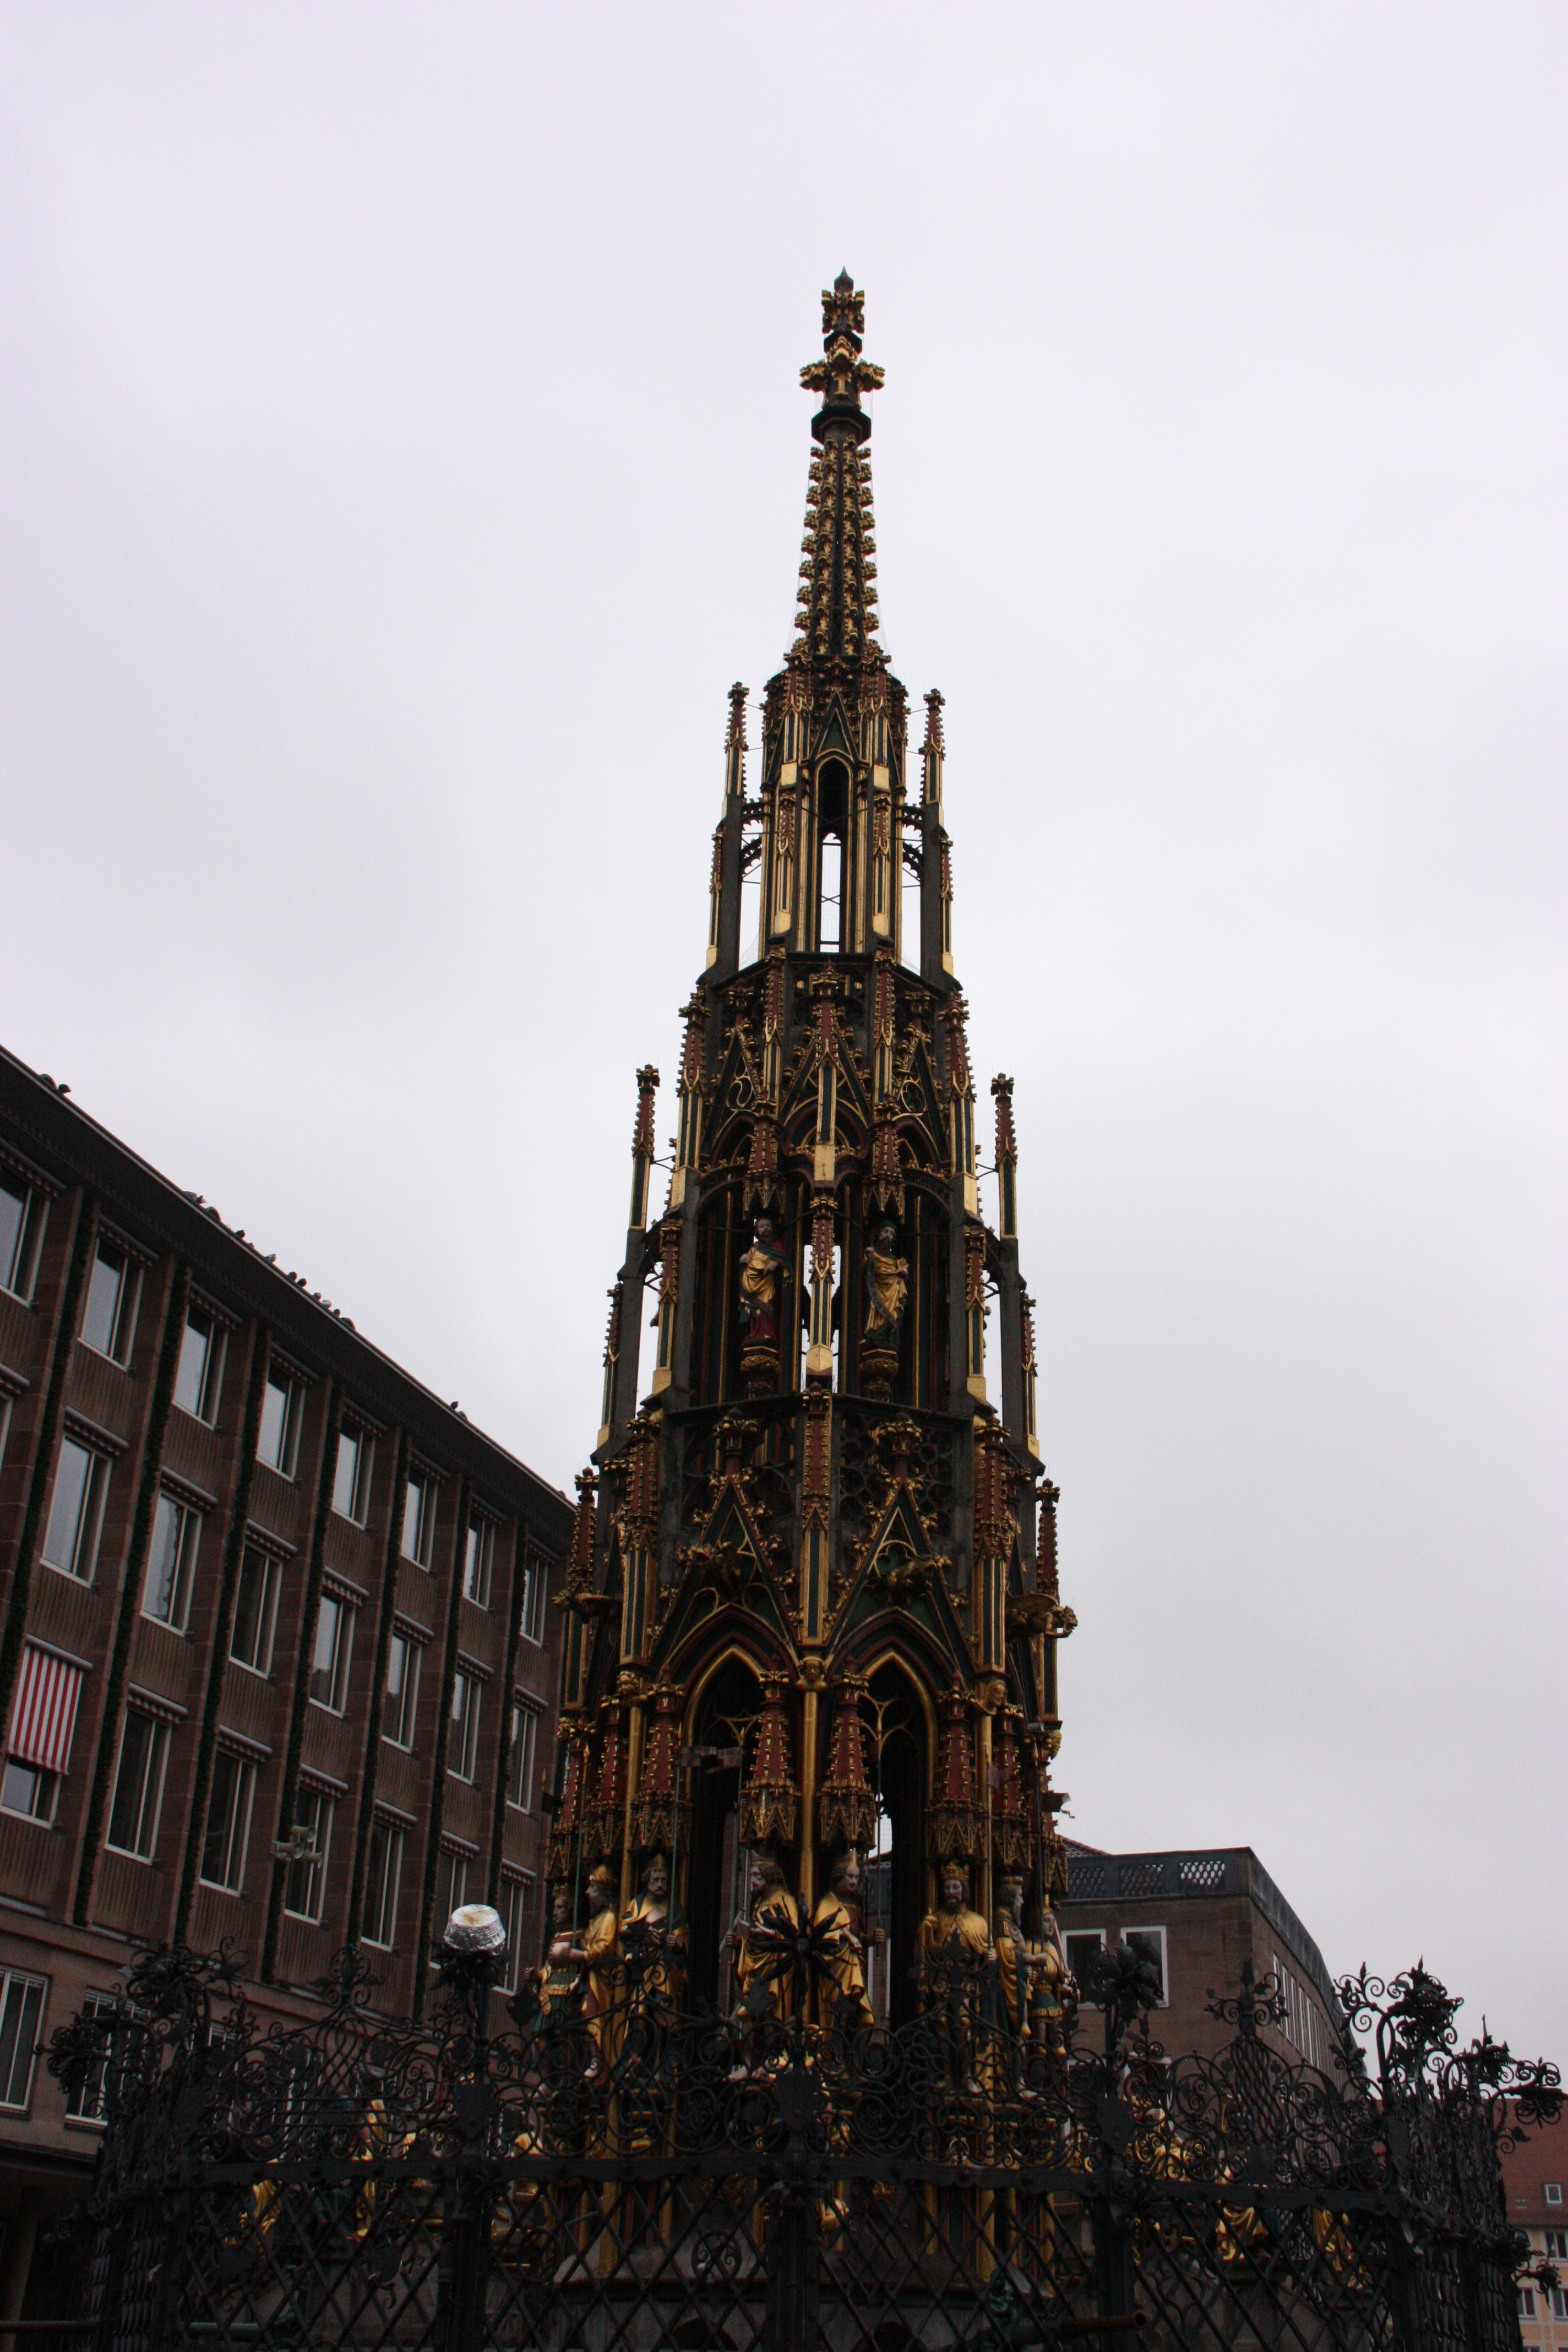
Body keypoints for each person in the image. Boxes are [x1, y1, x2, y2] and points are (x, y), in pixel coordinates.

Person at [916, 1865, 994, 2095]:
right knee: (942, 2026)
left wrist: (992, 1955)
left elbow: (988, 1950)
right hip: (942, 1981)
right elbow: (927, 1952)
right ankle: (946, 2074)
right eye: (948, 1887)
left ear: (964, 1890)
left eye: (956, 1887)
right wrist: (926, 1930)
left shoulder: (977, 1921)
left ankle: (968, 2075)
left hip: (967, 1982)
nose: (951, 1892)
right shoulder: (937, 1919)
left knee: (965, 2026)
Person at [728, 1847, 801, 2024]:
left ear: (769, 1877)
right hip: (756, 1966)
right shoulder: (758, 1904)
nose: (752, 1881)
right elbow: (752, 1938)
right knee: (754, 2019)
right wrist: (740, 1942)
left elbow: (795, 1936)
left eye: (756, 1876)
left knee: (771, 2018)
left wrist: (769, 1933)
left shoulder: (787, 1901)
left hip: (775, 1965)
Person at [811, 1850, 879, 2033]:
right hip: (835, 1971)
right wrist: (846, 1935)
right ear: (838, 1877)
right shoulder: (827, 1904)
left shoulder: (855, 1906)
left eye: (857, 1877)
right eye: (850, 1876)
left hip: (855, 1968)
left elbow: (859, 1940)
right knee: (836, 2019)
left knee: (864, 2020)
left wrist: (870, 1939)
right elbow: (818, 1935)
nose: (854, 1881)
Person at [621, 1850, 688, 2018]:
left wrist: (677, 1943)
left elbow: (683, 1934)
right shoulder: (638, 1904)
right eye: (655, 1880)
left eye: (664, 1881)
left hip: (665, 1966)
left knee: (664, 2008)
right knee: (639, 2009)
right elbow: (624, 1928)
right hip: (643, 1963)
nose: (660, 1885)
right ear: (647, 1880)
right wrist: (644, 1932)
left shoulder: (673, 1907)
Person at [738, 1218, 787, 1346]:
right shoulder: (755, 1248)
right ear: (757, 1231)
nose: (765, 1229)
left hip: (767, 1284)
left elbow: (784, 1261)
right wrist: (745, 1258)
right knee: (754, 1310)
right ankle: (755, 1333)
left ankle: (767, 1333)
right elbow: (751, 1259)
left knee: (766, 1308)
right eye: (761, 1227)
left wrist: (775, 1264)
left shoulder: (777, 1246)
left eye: (768, 1226)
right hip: (753, 1284)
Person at [862, 1223, 909, 1339]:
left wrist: (904, 1271)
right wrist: (868, 1258)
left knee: (900, 1284)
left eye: (892, 1234)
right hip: (877, 1291)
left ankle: (889, 1332)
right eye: (886, 1231)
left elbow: (902, 1269)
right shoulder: (873, 1254)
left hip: (893, 1292)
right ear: (879, 1233)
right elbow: (865, 1270)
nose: (889, 1236)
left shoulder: (894, 1259)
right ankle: (876, 1333)